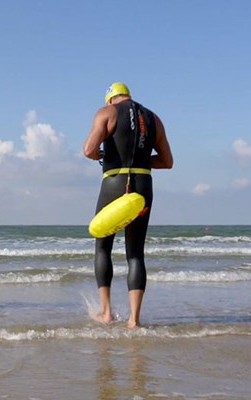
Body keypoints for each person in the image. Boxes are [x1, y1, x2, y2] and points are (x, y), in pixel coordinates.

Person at [82, 82, 173, 328]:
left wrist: (99, 156)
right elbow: (167, 161)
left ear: (110, 99)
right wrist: (140, 159)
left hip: (115, 182)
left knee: (103, 247)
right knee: (135, 253)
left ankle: (107, 312)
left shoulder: (106, 113)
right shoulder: (154, 119)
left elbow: (88, 149)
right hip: (143, 186)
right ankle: (134, 319)